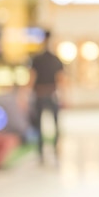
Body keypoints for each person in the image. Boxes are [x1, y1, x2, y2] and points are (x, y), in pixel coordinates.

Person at [27, 30, 64, 164]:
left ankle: (44, 152)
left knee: (42, 125)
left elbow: (32, 78)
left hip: (42, 94)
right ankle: (50, 150)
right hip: (48, 94)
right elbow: (61, 79)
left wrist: (25, 95)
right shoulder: (52, 59)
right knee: (49, 124)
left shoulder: (39, 59)